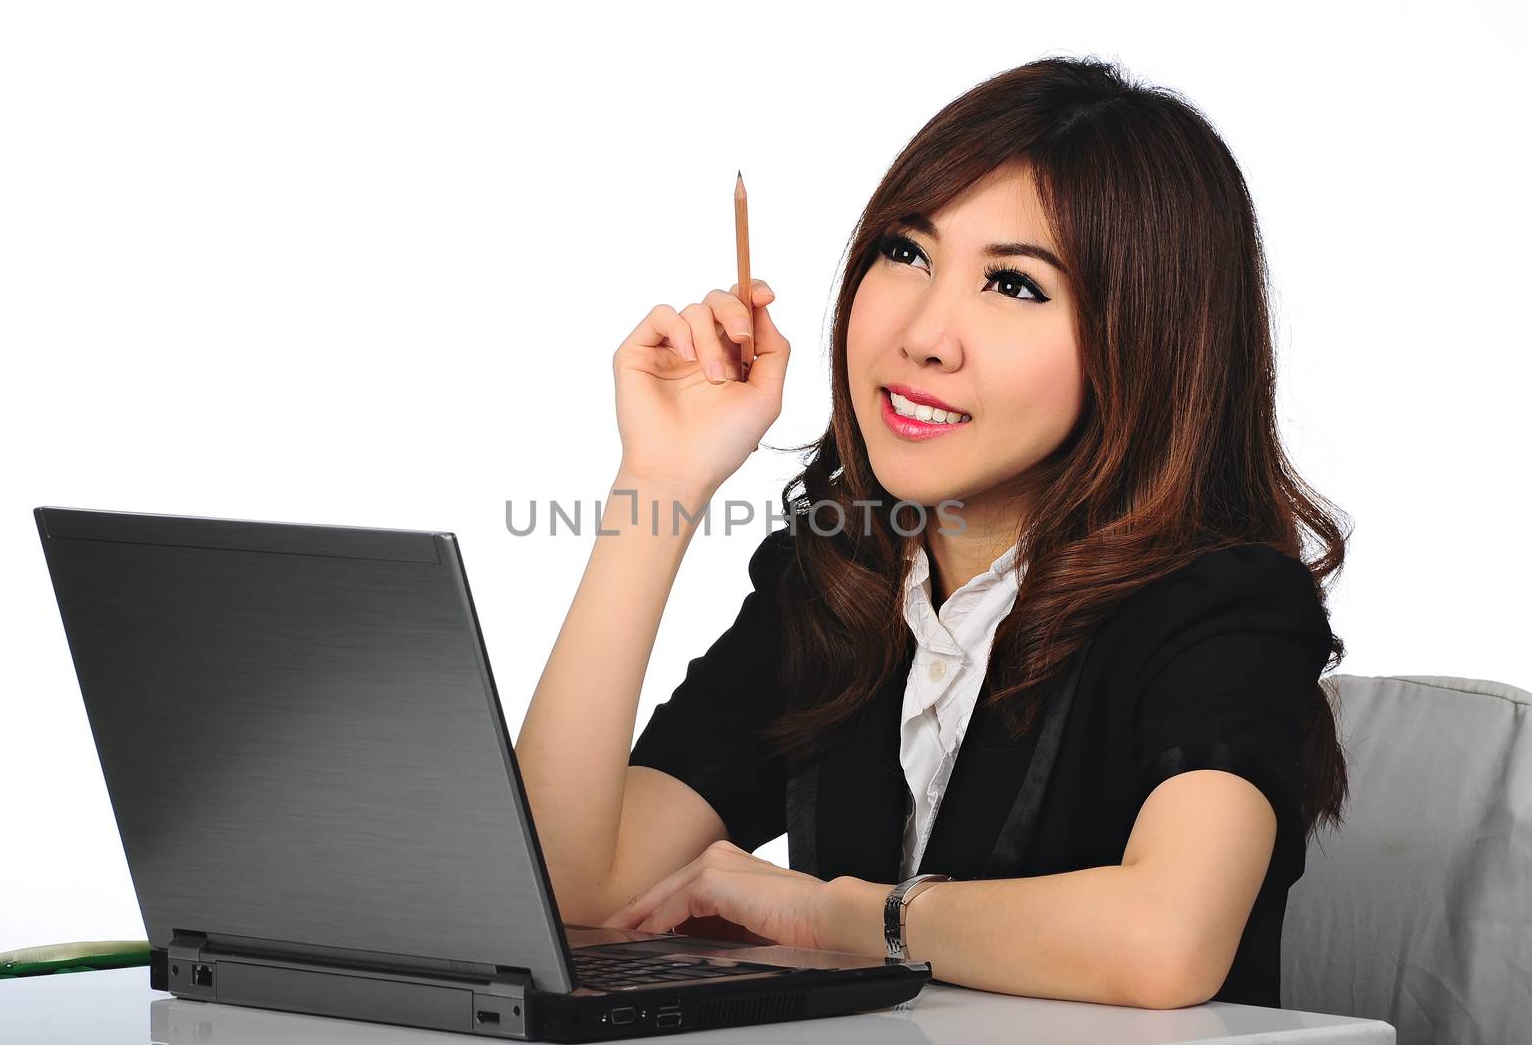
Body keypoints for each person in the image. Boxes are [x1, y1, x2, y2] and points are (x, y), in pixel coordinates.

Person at [514, 55, 1349, 1011]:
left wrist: (840, 916)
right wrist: (656, 481)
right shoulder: (838, 578)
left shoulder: (1223, 603)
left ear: (1144, 344)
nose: (924, 335)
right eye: (907, 252)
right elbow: (567, 894)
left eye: (1015, 286)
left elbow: (1163, 942)